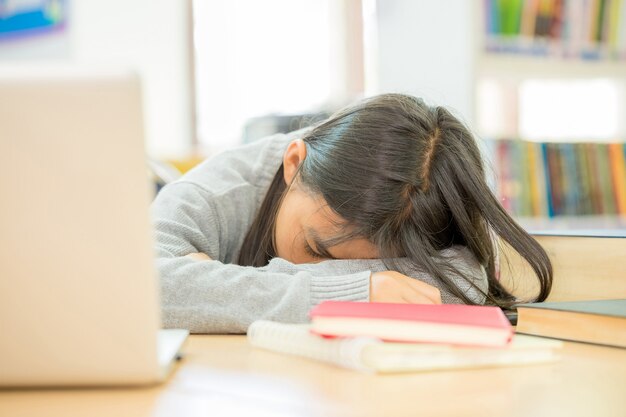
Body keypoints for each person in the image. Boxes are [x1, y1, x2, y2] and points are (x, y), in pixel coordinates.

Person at [152, 93, 552, 333]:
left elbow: (465, 282)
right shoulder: (216, 190)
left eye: (374, 265)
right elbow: (141, 285)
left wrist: (214, 284)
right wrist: (358, 292)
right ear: (294, 164)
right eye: (315, 248)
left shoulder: (416, 197)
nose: (319, 267)